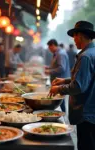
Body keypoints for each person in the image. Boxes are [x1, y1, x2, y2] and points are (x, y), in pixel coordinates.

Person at [49, 21, 95, 150]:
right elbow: (87, 78)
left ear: (80, 36)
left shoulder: (85, 56)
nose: (74, 40)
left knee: (86, 145)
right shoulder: (92, 52)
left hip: (86, 113)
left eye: (74, 36)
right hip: (92, 111)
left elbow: (79, 86)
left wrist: (58, 89)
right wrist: (64, 81)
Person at [45, 39, 70, 112]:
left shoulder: (60, 54)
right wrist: (48, 67)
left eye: (50, 48)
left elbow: (62, 68)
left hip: (61, 81)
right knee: (58, 99)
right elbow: (56, 65)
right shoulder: (56, 53)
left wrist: (50, 71)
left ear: (53, 45)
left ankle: (62, 115)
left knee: (60, 100)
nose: (49, 50)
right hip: (57, 81)